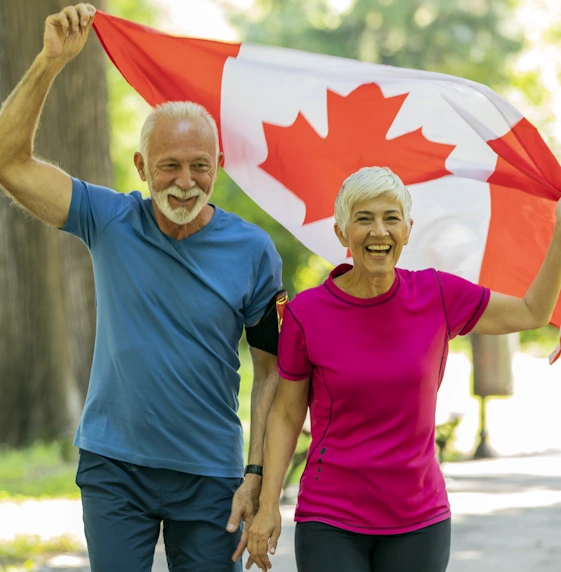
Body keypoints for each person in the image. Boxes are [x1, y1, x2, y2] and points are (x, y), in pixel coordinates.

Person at [0, 4, 284, 571]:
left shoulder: (254, 251)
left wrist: (258, 477)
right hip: (114, 468)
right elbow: (9, 161)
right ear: (140, 165)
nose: (185, 182)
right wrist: (51, 62)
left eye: (200, 166)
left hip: (211, 475)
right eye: (169, 165)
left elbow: (273, 371)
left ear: (219, 166)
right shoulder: (107, 218)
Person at [246, 166, 561, 572]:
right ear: (342, 233)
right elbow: (287, 414)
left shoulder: (438, 295)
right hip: (330, 520)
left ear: (408, 229)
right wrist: (268, 504)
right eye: (364, 219)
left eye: (390, 218)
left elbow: (533, 311)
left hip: (419, 520)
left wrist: (558, 235)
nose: (379, 232)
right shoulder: (307, 313)